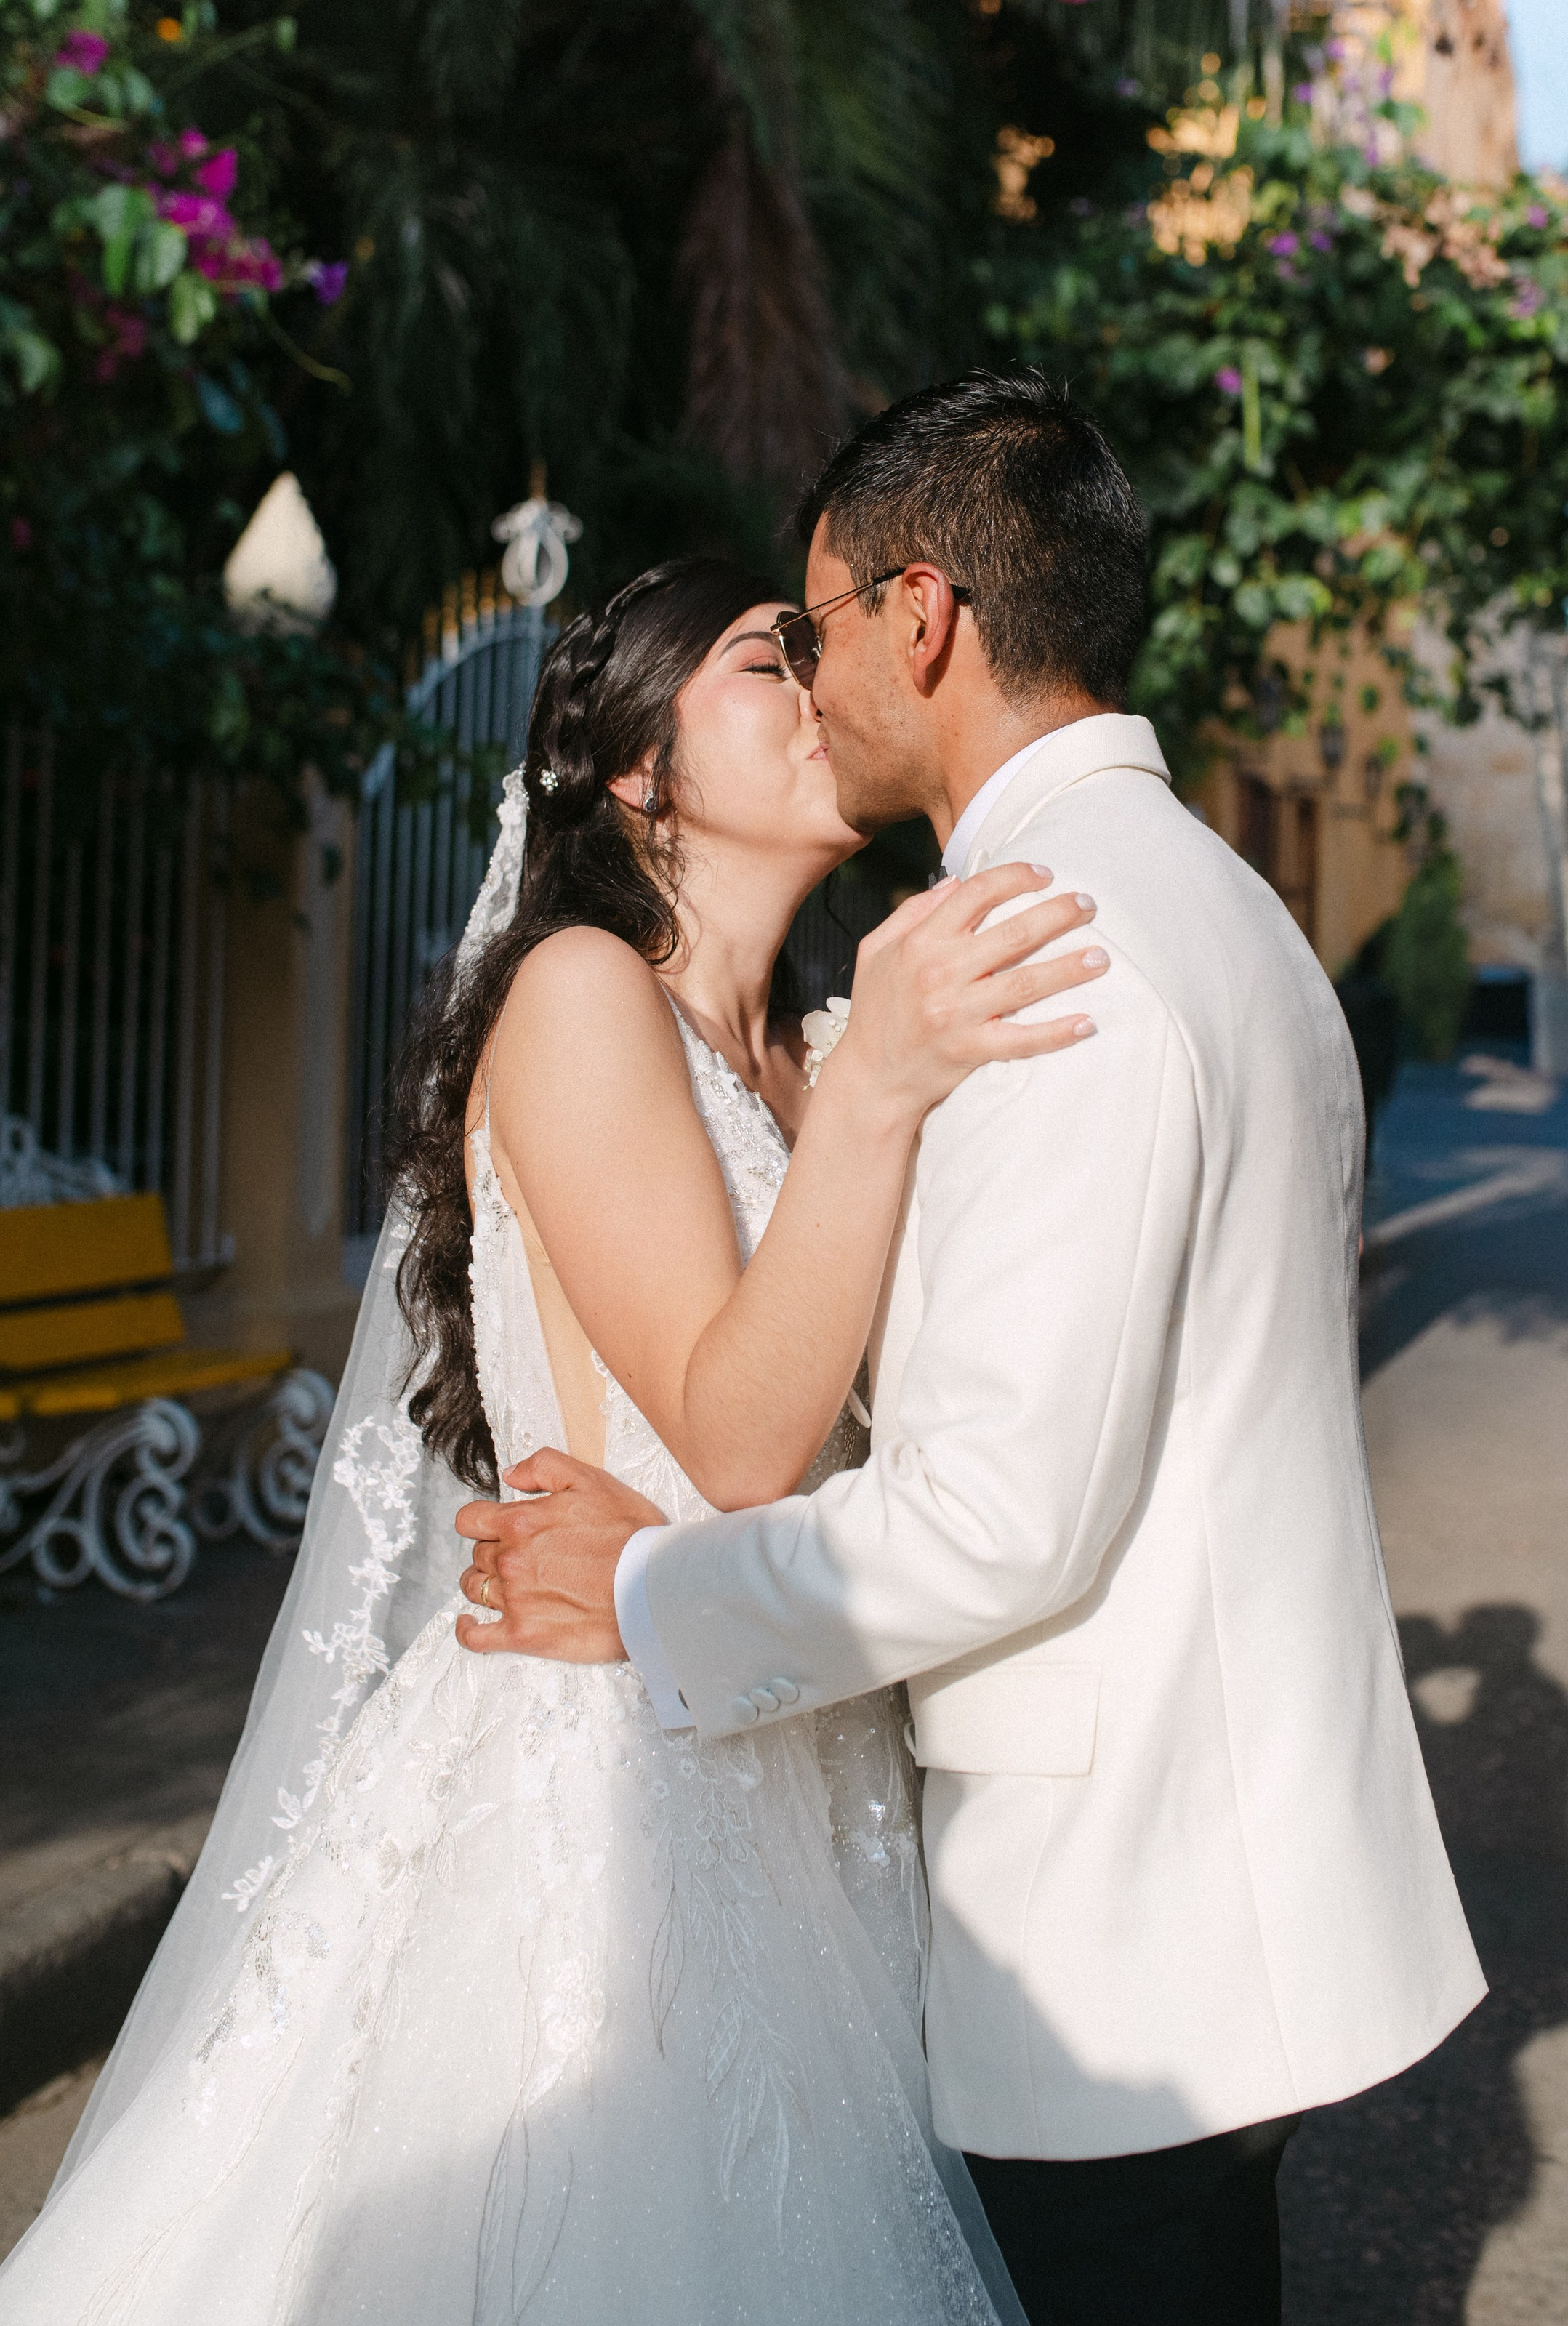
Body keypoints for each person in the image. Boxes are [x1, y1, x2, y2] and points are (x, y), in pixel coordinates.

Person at [463, 373, 1488, 2326]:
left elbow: (1000, 1510)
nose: (817, 672)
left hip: (1119, 1911)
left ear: (919, 615)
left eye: (817, 624)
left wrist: (653, 1585)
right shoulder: (1213, 905)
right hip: (1168, 1864)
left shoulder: (1054, 951)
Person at [0, 554, 1110, 2326]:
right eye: (770, 662)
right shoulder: (584, 992)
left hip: (801, 1745)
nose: (821, 689)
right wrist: (894, 1085)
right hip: (603, 1777)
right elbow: (743, 1437)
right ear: (636, 771)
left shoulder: (817, 1050)